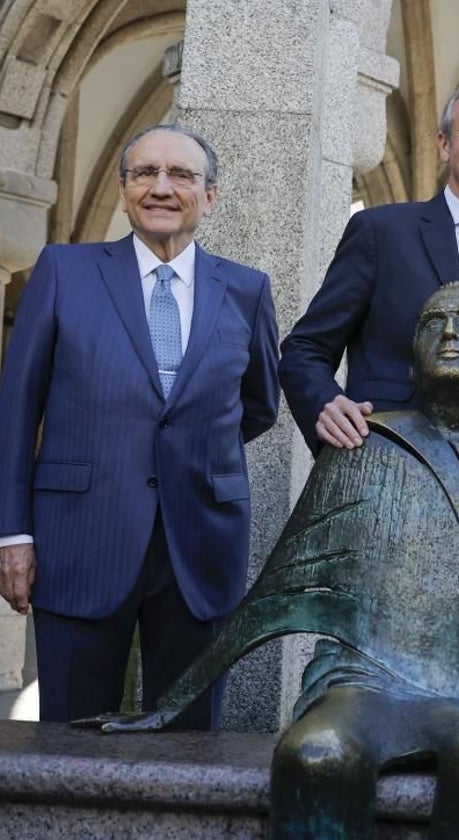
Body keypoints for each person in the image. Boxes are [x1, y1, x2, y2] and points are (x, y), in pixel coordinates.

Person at [81, 284, 459, 840]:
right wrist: (164, 710)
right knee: (316, 755)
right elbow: (268, 599)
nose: (447, 333)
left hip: (455, 697)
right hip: (358, 686)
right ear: (411, 358)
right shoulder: (364, 444)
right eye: (432, 323)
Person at [0, 124, 280, 728]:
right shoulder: (63, 272)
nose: (161, 187)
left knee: (191, 745)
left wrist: (187, 456)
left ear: (210, 197)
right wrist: (12, 535)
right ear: (125, 190)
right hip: (81, 540)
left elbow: (257, 405)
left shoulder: (247, 290)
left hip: (201, 545)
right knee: (68, 744)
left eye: (181, 175)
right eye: (145, 173)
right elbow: (17, 412)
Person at [279, 74, 459, 453]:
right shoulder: (379, 232)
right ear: (445, 145)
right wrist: (325, 404)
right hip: (388, 458)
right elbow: (305, 349)